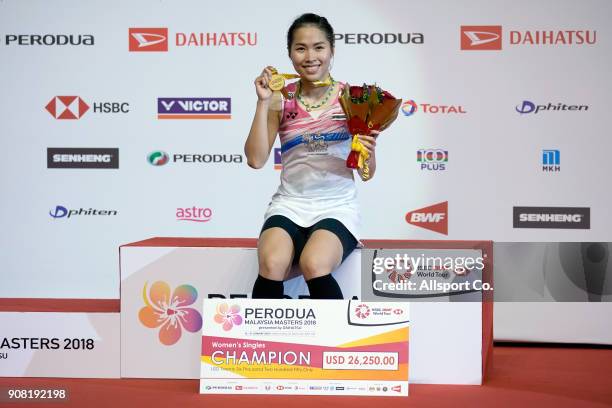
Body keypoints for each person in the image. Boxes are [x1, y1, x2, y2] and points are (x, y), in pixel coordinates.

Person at [244, 13, 378, 299]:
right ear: (290, 53)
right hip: (290, 205)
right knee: (271, 263)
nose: (310, 56)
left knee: (314, 263)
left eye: (319, 47)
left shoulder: (352, 99)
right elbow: (256, 160)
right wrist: (263, 102)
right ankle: (262, 343)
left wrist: (369, 151)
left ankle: (337, 341)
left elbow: (367, 173)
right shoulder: (281, 98)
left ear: (331, 50)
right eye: (300, 48)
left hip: (337, 207)